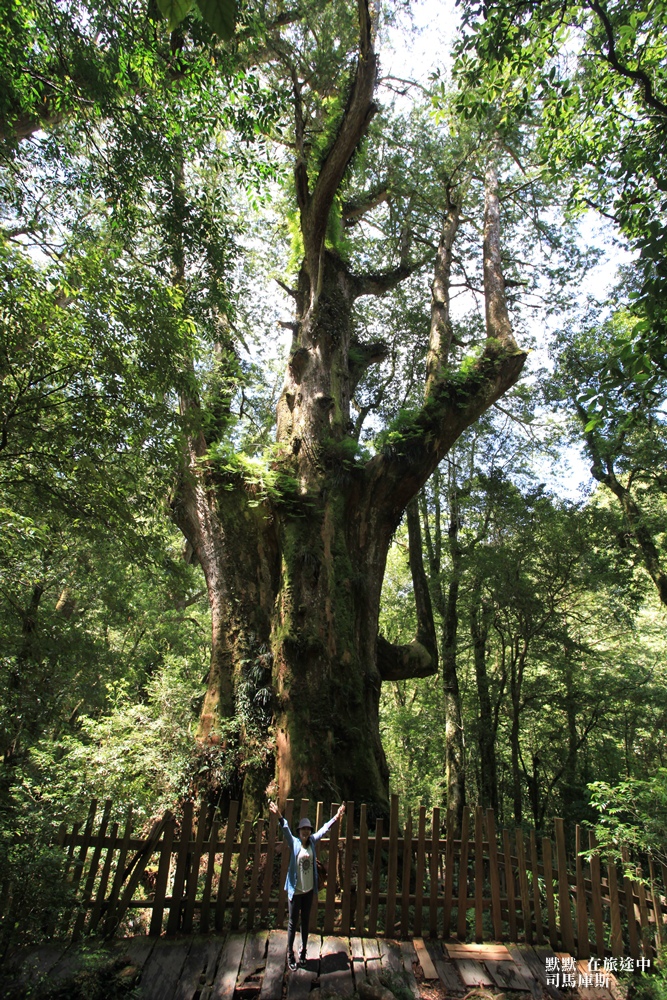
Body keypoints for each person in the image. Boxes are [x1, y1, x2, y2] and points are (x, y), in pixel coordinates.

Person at [269, 799, 346, 971]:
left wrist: (337, 816)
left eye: (308, 829)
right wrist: (278, 815)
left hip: (309, 891)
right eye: (303, 829)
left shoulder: (312, 841)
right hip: (295, 891)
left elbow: (325, 829)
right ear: (299, 831)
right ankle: (290, 954)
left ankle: (303, 952)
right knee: (292, 923)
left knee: (305, 922)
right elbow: (286, 829)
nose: (306, 832)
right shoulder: (294, 843)